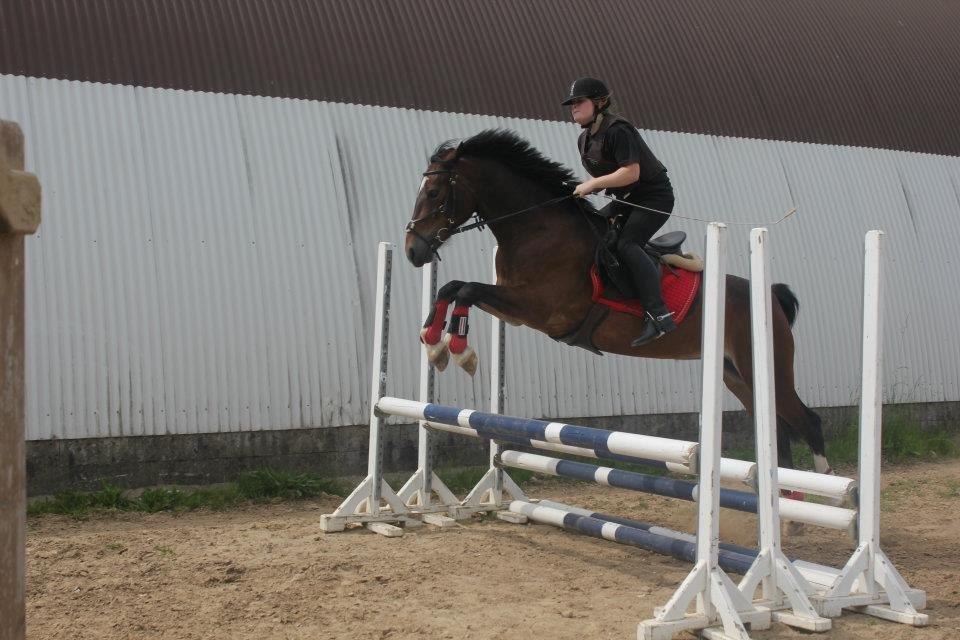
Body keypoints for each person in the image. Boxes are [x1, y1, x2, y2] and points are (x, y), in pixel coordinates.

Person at [562, 77, 677, 347]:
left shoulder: (618, 130)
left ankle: (658, 315)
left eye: (579, 101)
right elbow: (611, 177)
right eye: (571, 103)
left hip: (653, 197)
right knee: (593, 231)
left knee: (626, 243)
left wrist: (593, 184)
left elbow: (631, 172)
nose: (573, 107)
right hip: (627, 199)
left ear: (600, 103)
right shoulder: (584, 139)